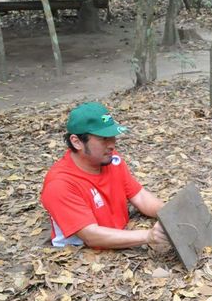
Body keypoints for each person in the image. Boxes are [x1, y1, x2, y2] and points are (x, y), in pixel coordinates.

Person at [40, 102, 170, 250]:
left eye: (112, 136)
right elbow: (91, 236)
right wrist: (148, 236)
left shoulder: (111, 160)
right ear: (77, 142)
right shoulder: (60, 184)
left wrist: (169, 213)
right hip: (83, 254)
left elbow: (139, 196)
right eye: (103, 139)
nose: (112, 144)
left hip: (122, 233)